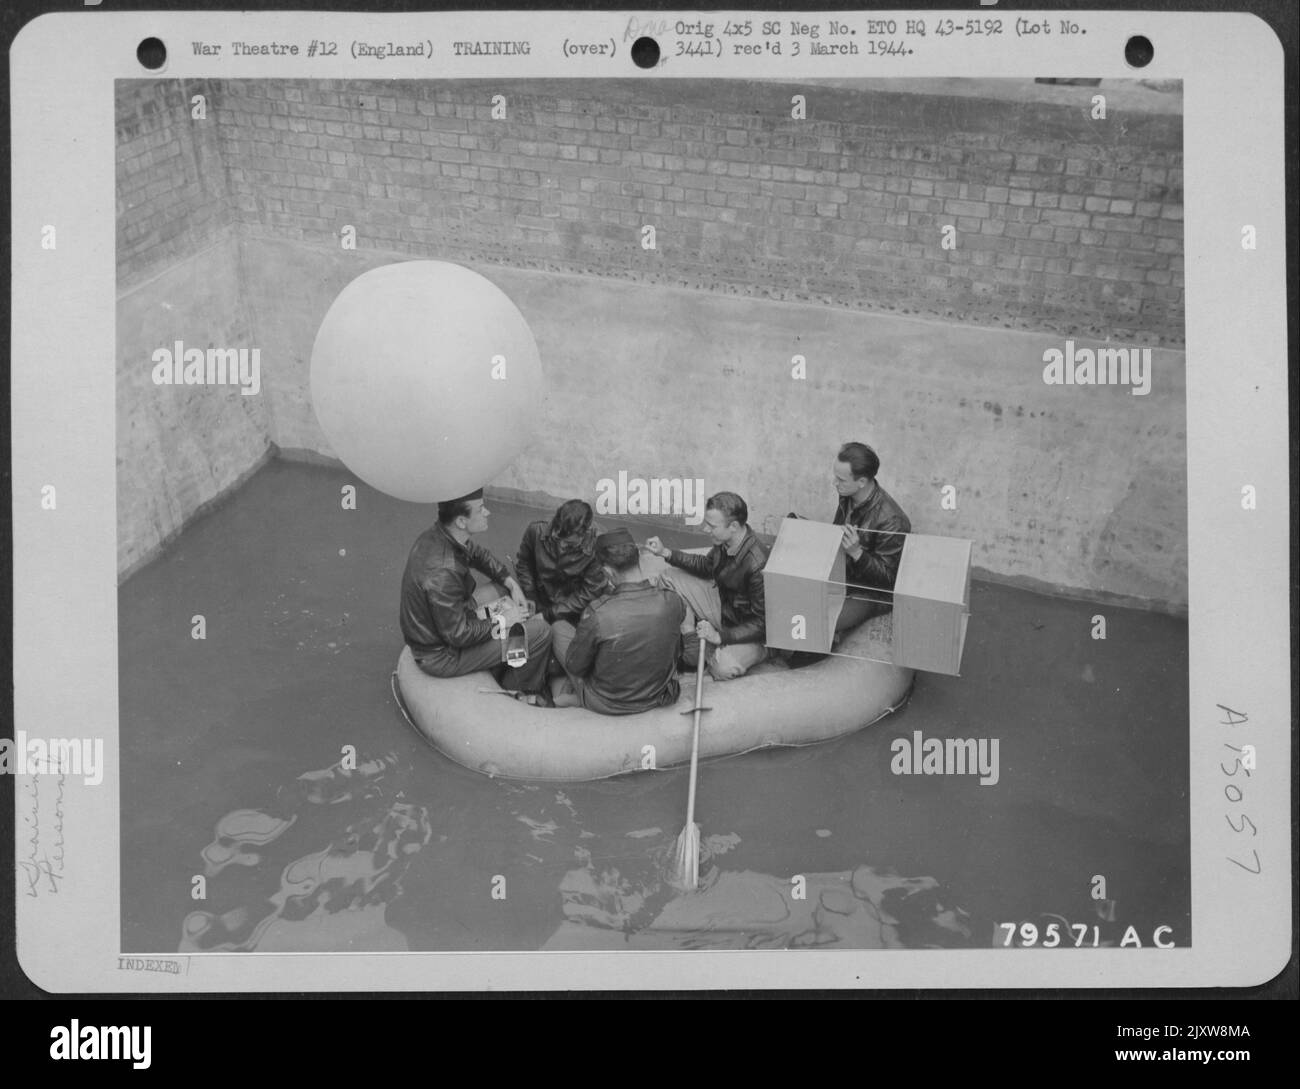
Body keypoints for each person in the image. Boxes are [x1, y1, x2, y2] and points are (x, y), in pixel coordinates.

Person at [399, 488, 553, 697]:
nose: (487, 512)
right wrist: (502, 620)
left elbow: (478, 555)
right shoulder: (443, 573)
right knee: (541, 632)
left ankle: (502, 656)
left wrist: (511, 584)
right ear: (462, 521)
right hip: (442, 655)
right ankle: (517, 687)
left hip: (446, 624)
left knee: (501, 589)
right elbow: (458, 635)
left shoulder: (440, 535)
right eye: (481, 509)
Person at [549, 529, 686, 714]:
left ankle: (579, 698)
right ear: (638, 560)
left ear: (607, 571)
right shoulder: (672, 600)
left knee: (558, 628)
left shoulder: (598, 612)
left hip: (608, 702)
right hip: (656, 694)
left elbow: (576, 666)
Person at [644, 491, 769, 681]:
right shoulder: (725, 540)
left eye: (711, 526)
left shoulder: (756, 564)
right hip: (726, 609)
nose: (705, 529)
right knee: (668, 578)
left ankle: (761, 655)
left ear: (733, 526)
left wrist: (721, 637)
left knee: (722, 668)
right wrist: (667, 553)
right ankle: (691, 640)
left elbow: (762, 624)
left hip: (752, 634)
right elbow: (706, 566)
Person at [829, 442, 911, 630]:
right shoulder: (848, 493)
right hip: (843, 571)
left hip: (871, 591)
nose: (835, 483)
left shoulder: (893, 521)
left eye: (841, 479)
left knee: (826, 621)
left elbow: (888, 579)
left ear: (862, 482)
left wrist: (857, 553)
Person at [514, 499, 611, 624]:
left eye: (570, 544)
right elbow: (524, 563)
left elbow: (590, 591)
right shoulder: (536, 530)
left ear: (585, 533)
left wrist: (549, 615)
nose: (561, 546)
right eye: (557, 538)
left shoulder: (598, 546)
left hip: (572, 607)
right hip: (540, 596)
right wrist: (530, 595)